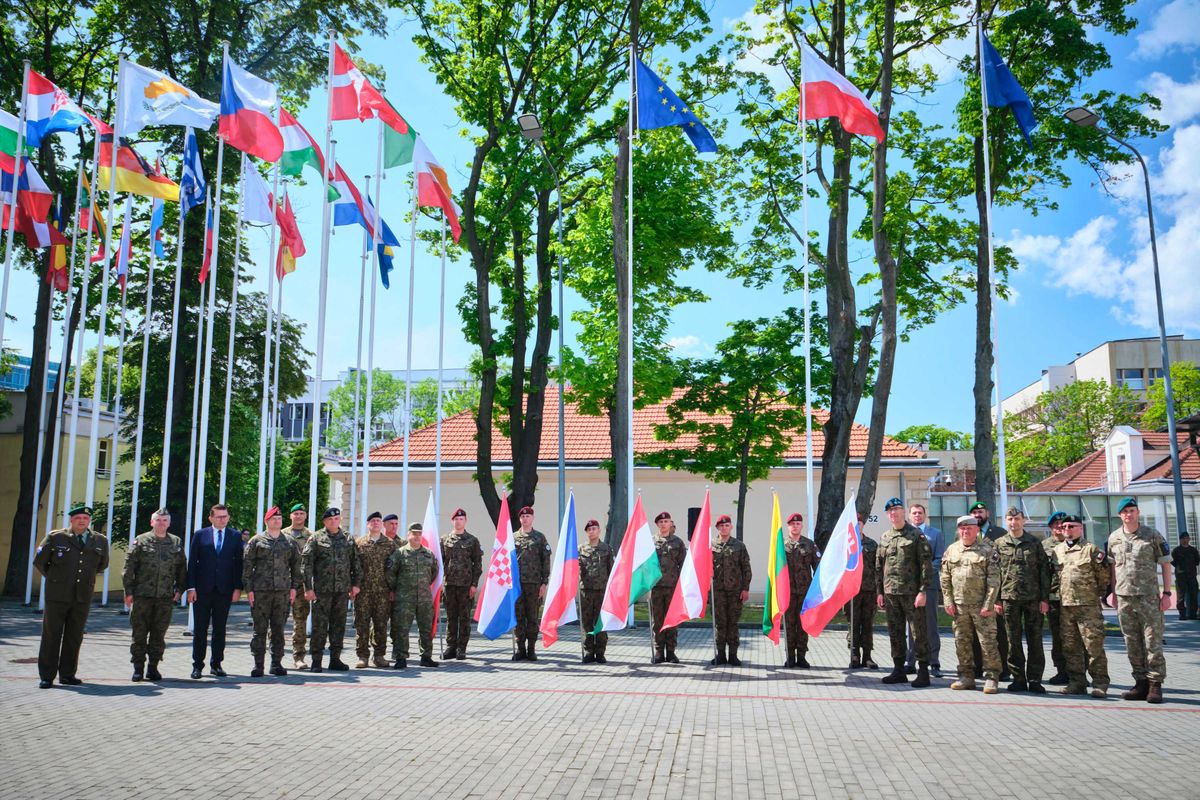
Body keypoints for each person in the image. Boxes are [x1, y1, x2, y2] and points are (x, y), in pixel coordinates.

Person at [33, 504, 110, 688]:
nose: (81, 521)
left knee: (74, 636)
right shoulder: (56, 537)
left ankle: (67, 674)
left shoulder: (100, 540)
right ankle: (47, 675)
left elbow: (102, 565)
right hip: (57, 595)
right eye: (78, 518)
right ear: (71, 520)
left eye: (85, 518)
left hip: (82, 595)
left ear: (89, 520)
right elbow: (40, 562)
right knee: (52, 635)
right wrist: (56, 579)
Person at [1107, 497, 1172, 704]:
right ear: (1120, 515)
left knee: (1152, 641)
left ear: (1138, 513)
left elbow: (1165, 564)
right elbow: (1113, 568)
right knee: (1131, 642)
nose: (1129, 514)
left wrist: (1167, 594)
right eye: (1125, 512)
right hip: (1124, 597)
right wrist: (1113, 592)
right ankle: (1140, 682)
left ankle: (1155, 684)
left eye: (1132, 510)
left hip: (1148, 597)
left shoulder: (1152, 535)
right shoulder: (1114, 538)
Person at [123, 508, 186, 682]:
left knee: (159, 634)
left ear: (169, 523)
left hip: (165, 597)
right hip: (142, 596)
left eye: (165, 520)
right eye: (158, 520)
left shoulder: (175, 542)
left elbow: (182, 569)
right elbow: (129, 568)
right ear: (152, 522)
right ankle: (138, 668)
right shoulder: (141, 541)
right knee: (139, 634)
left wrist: (180, 590)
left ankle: (153, 668)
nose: (161, 523)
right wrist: (128, 592)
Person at [876, 497, 934, 687]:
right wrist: (880, 592)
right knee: (895, 632)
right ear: (888, 515)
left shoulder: (916, 535)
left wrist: (923, 591)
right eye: (891, 511)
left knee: (918, 632)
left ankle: (923, 670)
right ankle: (898, 669)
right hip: (891, 593)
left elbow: (926, 566)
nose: (894, 513)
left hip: (912, 594)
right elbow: (879, 567)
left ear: (904, 512)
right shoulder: (885, 537)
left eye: (898, 509)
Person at [941, 515, 1002, 694]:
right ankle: (966, 676)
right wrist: (948, 601)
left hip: (981, 606)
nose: (965, 531)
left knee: (987, 642)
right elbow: (945, 578)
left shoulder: (987, 550)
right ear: (958, 530)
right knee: (962, 642)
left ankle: (991, 677)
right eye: (962, 528)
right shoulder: (951, 550)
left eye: (969, 528)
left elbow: (994, 580)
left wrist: (988, 605)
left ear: (977, 530)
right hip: (959, 606)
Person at [1051, 515, 1110, 698]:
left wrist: (1095, 595)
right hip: (1066, 606)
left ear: (1080, 528)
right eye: (1065, 526)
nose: (1067, 529)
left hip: (1088, 606)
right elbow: (1055, 577)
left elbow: (1103, 577)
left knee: (1093, 646)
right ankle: (1077, 682)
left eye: (1072, 526)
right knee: (1070, 647)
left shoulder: (1091, 549)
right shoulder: (1058, 551)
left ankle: (1100, 683)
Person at [994, 507, 1050, 693]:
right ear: (1006, 521)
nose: (1013, 522)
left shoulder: (1034, 543)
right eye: (1010, 519)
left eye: (1017, 519)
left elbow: (1044, 572)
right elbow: (995, 574)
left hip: (1032, 598)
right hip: (1009, 598)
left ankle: (1034, 679)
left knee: (1035, 640)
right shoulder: (1000, 544)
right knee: (1013, 640)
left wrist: (1044, 598)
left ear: (1023, 520)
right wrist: (996, 599)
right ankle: (1018, 678)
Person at [186, 503, 244, 680]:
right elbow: (192, 563)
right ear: (210, 518)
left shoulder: (235, 536)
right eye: (219, 516)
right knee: (200, 629)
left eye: (225, 516)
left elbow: (238, 564)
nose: (222, 519)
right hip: (202, 590)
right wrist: (191, 588)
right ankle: (197, 665)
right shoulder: (200, 535)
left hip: (224, 590)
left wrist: (237, 588)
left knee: (220, 629)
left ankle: (216, 664)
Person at [243, 506, 302, 677]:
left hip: (282, 593)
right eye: (273, 519)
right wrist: (249, 590)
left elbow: (296, 567)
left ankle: (276, 663)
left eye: (279, 518)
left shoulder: (289, 542)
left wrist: (293, 588)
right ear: (266, 521)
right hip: (261, 592)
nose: (277, 521)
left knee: (278, 629)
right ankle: (258, 665)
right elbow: (247, 567)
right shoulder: (256, 541)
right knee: (259, 629)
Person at [302, 508, 361, 673]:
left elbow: (356, 563)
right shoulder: (316, 538)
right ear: (325, 522)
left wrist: (356, 584)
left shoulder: (348, 538)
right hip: (322, 590)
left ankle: (335, 659)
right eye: (330, 519)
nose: (334, 521)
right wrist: (308, 588)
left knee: (339, 625)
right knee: (319, 626)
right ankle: (316, 660)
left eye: (336, 518)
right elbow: (306, 565)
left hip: (342, 591)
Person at [387, 522, 439, 668]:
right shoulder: (399, 553)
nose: (417, 536)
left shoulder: (429, 554)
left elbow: (434, 573)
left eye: (419, 534)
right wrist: (396, 589)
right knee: (402, 628)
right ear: (408, 535)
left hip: (424, 598)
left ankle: (426, 656)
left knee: (426, 628)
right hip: (404, 598)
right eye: (414, 533)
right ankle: (401, 657)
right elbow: (390, 574)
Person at [970, 500, 1009, 679]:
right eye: (975, 513)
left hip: (994, 592)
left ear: (987, 514)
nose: (978, 515)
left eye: (981, 512)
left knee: (998, 632)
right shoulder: (967, 533)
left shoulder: (1000, 534)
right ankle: (978, 668)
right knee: (974, 633)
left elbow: (1004, 566)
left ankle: (1003, 670)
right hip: (973, 592)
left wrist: (999, 597)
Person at [354, 511, 397, 668]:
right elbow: (354, 567)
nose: (376, 523)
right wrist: (354, 586)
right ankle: (362, 656)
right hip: (363, 591)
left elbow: (394, 569)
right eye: (373, 521)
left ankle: (379, 656)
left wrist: (392, 589)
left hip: (383, 592)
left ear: (381, 524)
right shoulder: (359, 543)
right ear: (368, 524)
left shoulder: (390, 544)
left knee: (381, 625)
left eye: (379, 520)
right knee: (362, 624)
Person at [440, 508, 483, 660]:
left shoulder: (472, 540)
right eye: (456, 519)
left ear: (465, 521)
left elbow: (477, 564)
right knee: (451, 617)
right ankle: (451, 646)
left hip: (466, 586)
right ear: (452, 521)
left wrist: (474, 584)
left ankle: (461, 648)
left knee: (464, 618)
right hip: (449, 585)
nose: (459, 521)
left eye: (461, 519)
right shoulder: (444, 539)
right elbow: (440, 562)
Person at [906, 504, 943, 677]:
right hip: (909, 588)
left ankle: (934, 661)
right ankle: (911, 660)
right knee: (912, 625)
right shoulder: (905, 534)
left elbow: (939, 559)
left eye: (920, 513)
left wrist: (924, 574)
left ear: (925, 515)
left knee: (930, 624)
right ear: (909, 515)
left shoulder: (935, 534)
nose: (917, 515)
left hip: (929, 586)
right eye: (914, 513)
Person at [509, 506, 550, 661]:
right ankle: (520, 649)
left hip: (534, 584)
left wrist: (544, 583)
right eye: (523, 516)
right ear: (520, 519)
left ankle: (531, 649)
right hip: (517, 585)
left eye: (528, 516)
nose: (525, 518)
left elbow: (545, 561)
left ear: (532, 518)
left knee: (532, 617)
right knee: (519, 617)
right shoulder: (512, 538)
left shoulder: (539, 538)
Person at [711, 515, 752, 666]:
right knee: (720, 623)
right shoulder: (711, 545)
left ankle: (733, 655)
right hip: (717, 592)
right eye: (721, 526)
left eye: (726, 525)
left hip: (735, 591)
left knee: (733, 623)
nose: (724, 528)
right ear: (717, 528)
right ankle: (720, 655)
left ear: (731, 527)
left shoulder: (739, 546)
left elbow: (746, 568)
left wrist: (745, 588)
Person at [782, 512, 819, 668]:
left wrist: (818, 590)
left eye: (798, 524)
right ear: (788, 526)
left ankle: (802, 657)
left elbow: (818, 568)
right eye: (792, 524)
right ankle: (790, 657)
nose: (795, 526)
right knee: (789, 625)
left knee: (803, 625)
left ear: (801, 525)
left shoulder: (810, 545)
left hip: (805, 592)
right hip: (787, 593)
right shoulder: (781, 545)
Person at [651, 511, 687, 664]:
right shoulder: (650, 542)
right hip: (656, 587)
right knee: (658, 620)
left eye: (666, 521)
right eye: (661, 522)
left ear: (671, 523)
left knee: (672, 620)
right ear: (657, 524)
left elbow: (684, 565)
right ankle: (659, 651)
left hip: (673, 587)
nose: (664, 524)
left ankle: (671, 652)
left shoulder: (678, 543)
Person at [282, 503, 313, 669]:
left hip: (302, 585)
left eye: (302, 513)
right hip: (282, 584)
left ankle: (299, 657)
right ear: (291, 516)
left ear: (305, 516)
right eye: (296, 513)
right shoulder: (281, 534)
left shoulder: (311, 536)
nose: (299, 516)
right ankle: (276, 656)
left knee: (300, 621)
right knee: (278, 621)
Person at [579, 519, 614, 663]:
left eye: (594, 528)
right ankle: (588, 651)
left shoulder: (607, 549)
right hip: (586, 591)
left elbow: (611, 570)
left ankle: (600, 652)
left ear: (599, 531)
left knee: (601, 622)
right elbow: (575, 569)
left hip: (602, 592)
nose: (591, 531)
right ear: (586, 532)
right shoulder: (580, 549)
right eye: (589, 529)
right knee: (587, 623)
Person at [847, 512, 878, 669]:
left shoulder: (872, 544)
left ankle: (867, 656)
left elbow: (878, 568)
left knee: (867, 623)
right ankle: (854, 654)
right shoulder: (845, 545)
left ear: (862, 524)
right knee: (853, 623)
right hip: (851, 592)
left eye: (859, 523)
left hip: (868, 590)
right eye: (854, 523)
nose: (857, 525)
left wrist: (879, 591)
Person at [1043, 511, 1070, 684]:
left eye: (1063, 524)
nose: (1060, 527)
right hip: (1054, 598)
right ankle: (1061, 671)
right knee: (1058, 637)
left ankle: (1079, 672)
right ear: (1051, 527)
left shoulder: (1078, 544)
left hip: (1075, 598)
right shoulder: (1043, 546)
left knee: (1077, 637)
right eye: (1056, 525)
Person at [1172, 532, 1198, 620]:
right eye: (1183, 538)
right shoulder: (1176, 550)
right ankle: (1182, 614)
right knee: (1180, 597)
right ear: (1180, 540)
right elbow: (1173, 562)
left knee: (1193, 595)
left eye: (1187, 538)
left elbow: (1197, 561)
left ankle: (1193, 614)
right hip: (1180, 577)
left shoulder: (1193, 550)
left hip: (1192, 576)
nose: (1185, 540)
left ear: (1189, 539)